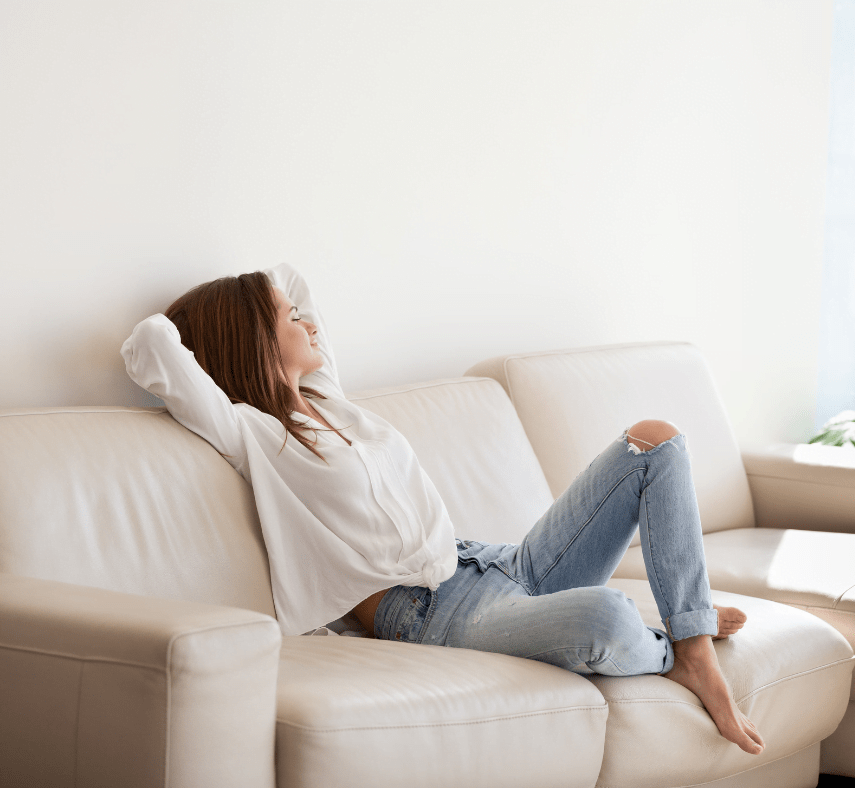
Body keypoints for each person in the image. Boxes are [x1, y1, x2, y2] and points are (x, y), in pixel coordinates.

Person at [121, 263, 765, 756]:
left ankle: (688, 626)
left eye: (299, 315)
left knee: (654, 440)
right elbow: (151, 345)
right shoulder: (251, 436)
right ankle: (680, 646)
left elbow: (291, 276)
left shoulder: (331, 402)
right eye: (291, 320)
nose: (309, 323)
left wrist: (267, 301)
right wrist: (227, 315)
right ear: (257, 341)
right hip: (424, 614)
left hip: (493, 564)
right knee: (608, 616)